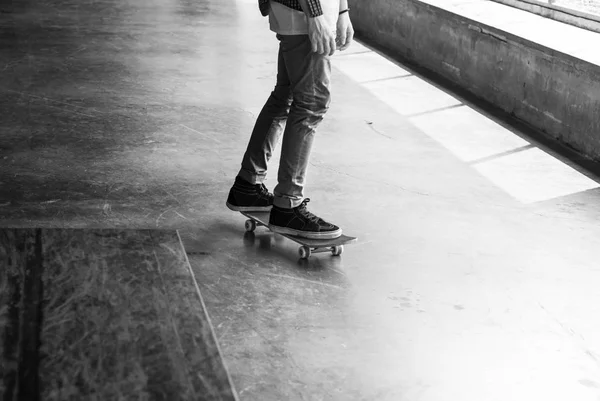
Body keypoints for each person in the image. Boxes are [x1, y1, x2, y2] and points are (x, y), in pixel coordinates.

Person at [226, 0, 354, 240]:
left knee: (286, 96)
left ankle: (248, 185)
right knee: (312, 103)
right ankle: (288, 205)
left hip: (301, 11)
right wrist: (315, 14)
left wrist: (342, 10)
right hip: (303, 12)